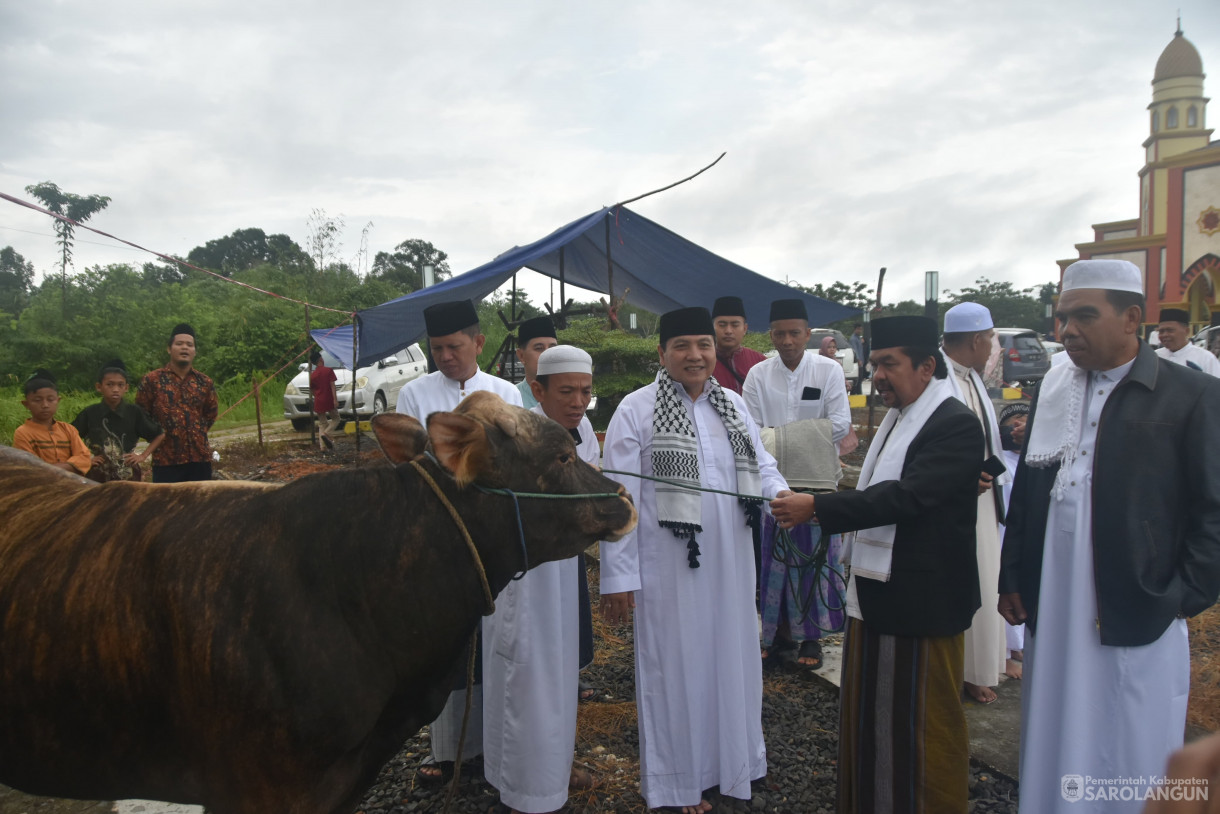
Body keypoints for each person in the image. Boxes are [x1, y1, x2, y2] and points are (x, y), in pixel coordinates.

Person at [999, 258, 1220, 814]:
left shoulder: (1190, 394)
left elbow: (1213, 511)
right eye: (1062, 318)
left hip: (1137, 604)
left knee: (1129, 731)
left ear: (1132, 319)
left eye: (1083, 316)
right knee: (1054, 720)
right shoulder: (1054, 390)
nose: (1067, 330)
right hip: (1055, 597)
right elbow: (1027, 493)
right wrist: (1013, 575)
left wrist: (1181, 596)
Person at [771, 315, 984, 814]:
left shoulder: (953, 423)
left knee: (924, 729)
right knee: (873, 722)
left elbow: (907, 497)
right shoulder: (899, 417)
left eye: (890, 364)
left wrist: (818, 508)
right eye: (874, 365)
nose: (879, 376)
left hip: (922, 604)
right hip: (879, 595)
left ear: (927, 365)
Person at [600, 306, 790, 814]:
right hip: (667, 567)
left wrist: (782, 495)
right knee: (675, 669)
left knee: (733, 658)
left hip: (731, 561)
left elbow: (762, 464)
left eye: (703, 345)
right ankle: (679, 783)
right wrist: (618, 576)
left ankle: (736, 765)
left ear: (715, 350)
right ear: (662, 353)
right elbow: (619, 500)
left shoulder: (731, 403)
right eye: (682, 345)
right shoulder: (636, 410)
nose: (695, 355)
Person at [395, 299, 523, 784]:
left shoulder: (505, 391)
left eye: (454, 346)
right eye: (437, 348)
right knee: (448, 640)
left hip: (494, 535)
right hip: (440, 534)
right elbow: (407, 464)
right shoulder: (415, 393)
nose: (446, 356)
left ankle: (501, 743)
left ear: (478, 342)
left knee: (498, 640)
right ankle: (449, 751)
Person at [484, 345, 600, 814]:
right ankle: (521, 786)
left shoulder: (584, 428)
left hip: (564, 567)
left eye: (586, 392)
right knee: (525, 673)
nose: (577, 401)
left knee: (558, 669)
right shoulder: (515, 433)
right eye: (567, 391)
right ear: (537, 389)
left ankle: (553, 768)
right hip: (525, 575)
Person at [742, 298, 851, 670]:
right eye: (779, 334)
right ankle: (777, 635)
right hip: (772, 481)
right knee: (774, 559)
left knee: (816, 560)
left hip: (817, 482)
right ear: (770, 335)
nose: (787, 341)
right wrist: (796, 437)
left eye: (794, 333)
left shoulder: (828, 371)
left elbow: (839, 424)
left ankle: (812, 637)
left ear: (807, 333)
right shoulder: (758, 375)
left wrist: (778, 437)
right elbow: (748, 430)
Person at [940, 302, 1011, 705]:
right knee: (964, 579)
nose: (993, 347)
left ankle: (977, 668)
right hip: (954, 499)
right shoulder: (940, 379)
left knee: (985, 575)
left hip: (982, 499)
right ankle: (961, 670)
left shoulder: (971, 379)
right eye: (991, 338)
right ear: (975, 339)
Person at [136, 323, 218, 483]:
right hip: (166, 461)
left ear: (194, 351)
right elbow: (141, 415)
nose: (184, 348)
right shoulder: (152, 381)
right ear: (169, 348)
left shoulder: (204, 382)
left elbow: (210, 414)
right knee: (168, 507)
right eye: (179, 344)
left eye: (189, 345)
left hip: (199, 459)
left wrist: (195, 432)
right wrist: (159, 438)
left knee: (201, 506)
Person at [72, 358, 164, 482]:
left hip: (128, 474)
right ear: (99, 387)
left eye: (120, 385)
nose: (115, 389)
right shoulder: (90, 413)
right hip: (98, 474)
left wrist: (142, 456)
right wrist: (85, 459)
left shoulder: (134, 412)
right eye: (110, 384)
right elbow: (70, 437)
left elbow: (159, 434)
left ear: (126, 388)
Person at [997, 402, 1028, 679]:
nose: (1019, 426)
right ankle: (1002, 653)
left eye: (1027, 421)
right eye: (1014, 420)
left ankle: (1016, 646)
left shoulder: (1033, 459)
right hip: (1000, 536)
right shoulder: (1001, 462)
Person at [12, 369, 92, 476]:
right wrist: (72, 466)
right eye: (37, 400)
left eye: (50, 399)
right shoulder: (23, 433)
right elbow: (30, 468)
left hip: (72, 487)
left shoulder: (68, 429)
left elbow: (85, 457)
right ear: (26, 404)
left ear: (57, 401)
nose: (45, 405)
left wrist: (51, 468)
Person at [710, 296, 766, 396]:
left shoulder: (760, 362)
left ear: (745, 329)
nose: (728, 331)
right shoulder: (702, 362)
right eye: (722, 325)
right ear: (712, 328)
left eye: (735, 325)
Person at [1155, 307, 1220, 376]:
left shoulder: (1205, 358)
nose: (1165, 335)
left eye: (1170, 330)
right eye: (1161, 331)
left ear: (1186, 331)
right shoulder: (1155, 356)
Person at [514, 315, 559, 409]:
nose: (548, 354)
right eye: (539, 348)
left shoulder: (570, 398)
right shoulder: (510, 398)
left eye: (552, 348)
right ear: (521, 356)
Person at [308, 349, 340, 452]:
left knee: (322, 423)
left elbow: (312, 389)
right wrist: (335, 399)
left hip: (318, 401)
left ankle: (322, 447)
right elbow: (332, 385)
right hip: (328, 399)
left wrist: (317, 396)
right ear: (321, 359)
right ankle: (326, 434)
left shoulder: (313, 375)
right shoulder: (328, 370)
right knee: (336, 419)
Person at [849, 323, 866, 394]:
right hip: (858, 362)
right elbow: (855, 350)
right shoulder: (853, 339)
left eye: (861, 329)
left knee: (860, 380)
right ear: (855, 329)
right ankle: (855, 394)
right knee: (857, 381)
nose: (860, 331)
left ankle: (859, 394)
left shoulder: (858, 338)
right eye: (858, 329)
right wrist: (858, 360)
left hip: (861, 361)